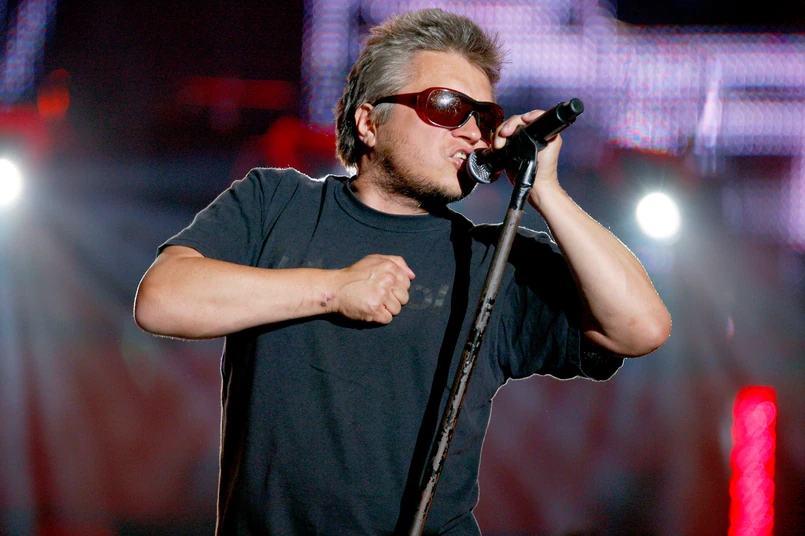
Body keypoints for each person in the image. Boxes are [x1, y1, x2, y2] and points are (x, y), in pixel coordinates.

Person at [134, 8, 671, 535]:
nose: (472, 133)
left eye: (484, 118)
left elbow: (641, 327)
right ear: (369, 122)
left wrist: (546, 190)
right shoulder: (276, 202)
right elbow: (162, 299)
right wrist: (334, 288)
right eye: (446, 107)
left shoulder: (493, 260)